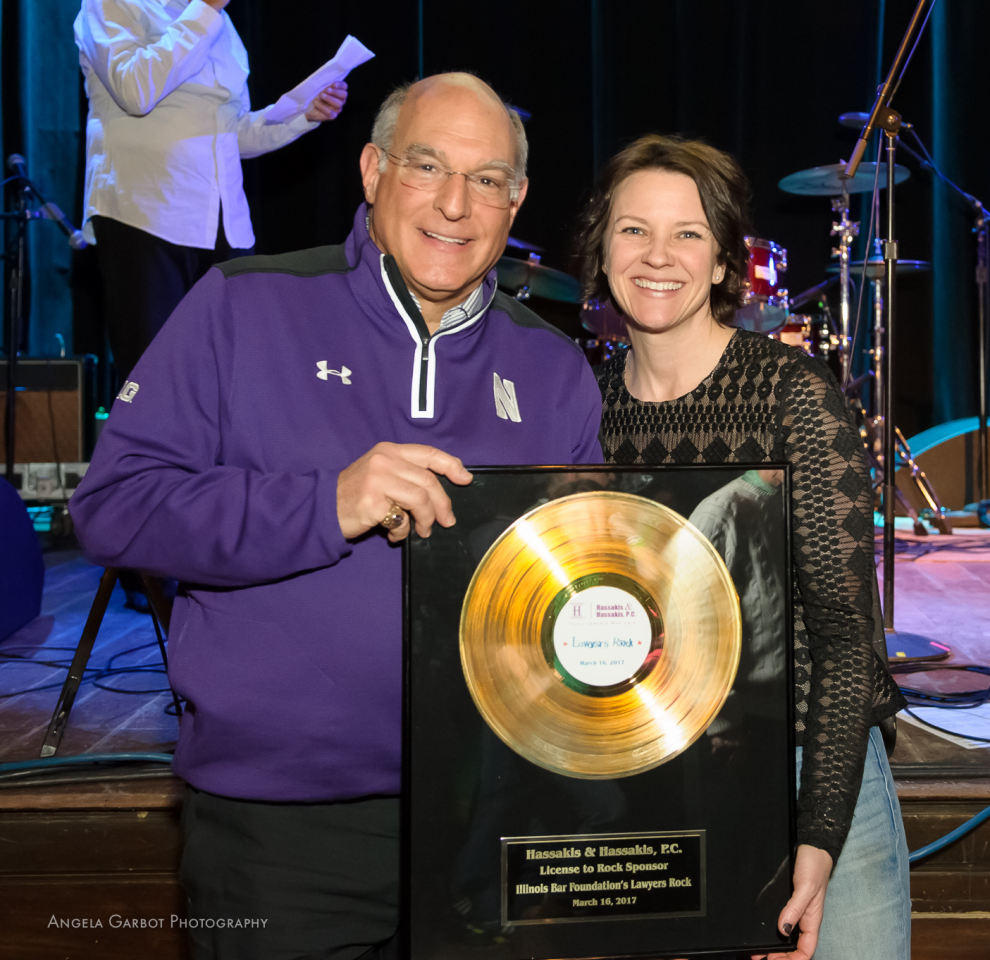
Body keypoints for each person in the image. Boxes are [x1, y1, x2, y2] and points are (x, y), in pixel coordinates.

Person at [69, 72, 603, 959]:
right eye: (426, 165)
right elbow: (114, 510)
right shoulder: (243, 305)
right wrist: (327, 502)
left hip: (496, 825)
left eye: (486, 180)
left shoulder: (554, 370)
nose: (455, 203)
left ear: (516, 202)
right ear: (372, 170)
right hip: (283, 835)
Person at [576, 134, 910, 960]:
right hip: (664, 769)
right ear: (602, 250)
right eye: (633, 230)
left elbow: (846, 639)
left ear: (726, 260)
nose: (658, 255)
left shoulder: (793, 394)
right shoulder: (582, 410)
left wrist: (818, 833)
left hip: (812, 761)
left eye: (688, 233)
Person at [74, 0, 349, 383]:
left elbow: (231, 134)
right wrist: (204, 10)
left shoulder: (222, 25)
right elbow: (135, 91)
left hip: (222, 223)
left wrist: (302, 114)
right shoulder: (114, 5)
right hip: (144, 212)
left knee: (233, 377)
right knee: (154, 379)